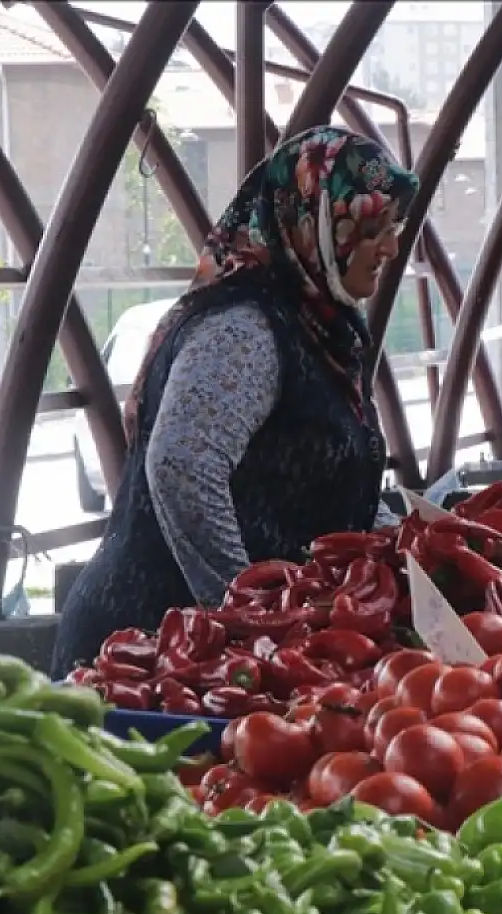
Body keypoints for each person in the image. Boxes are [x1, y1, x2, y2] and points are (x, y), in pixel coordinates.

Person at [52, 127, 419, 677]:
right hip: (151, 651)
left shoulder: (321, 327)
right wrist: (247, 612)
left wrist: (410, 543)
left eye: (392, 228)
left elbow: (327, 483)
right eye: (369, 229)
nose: (389, 248)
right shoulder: (244, 329)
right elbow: (183, 465)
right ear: (310, 225)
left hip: (216, 656)